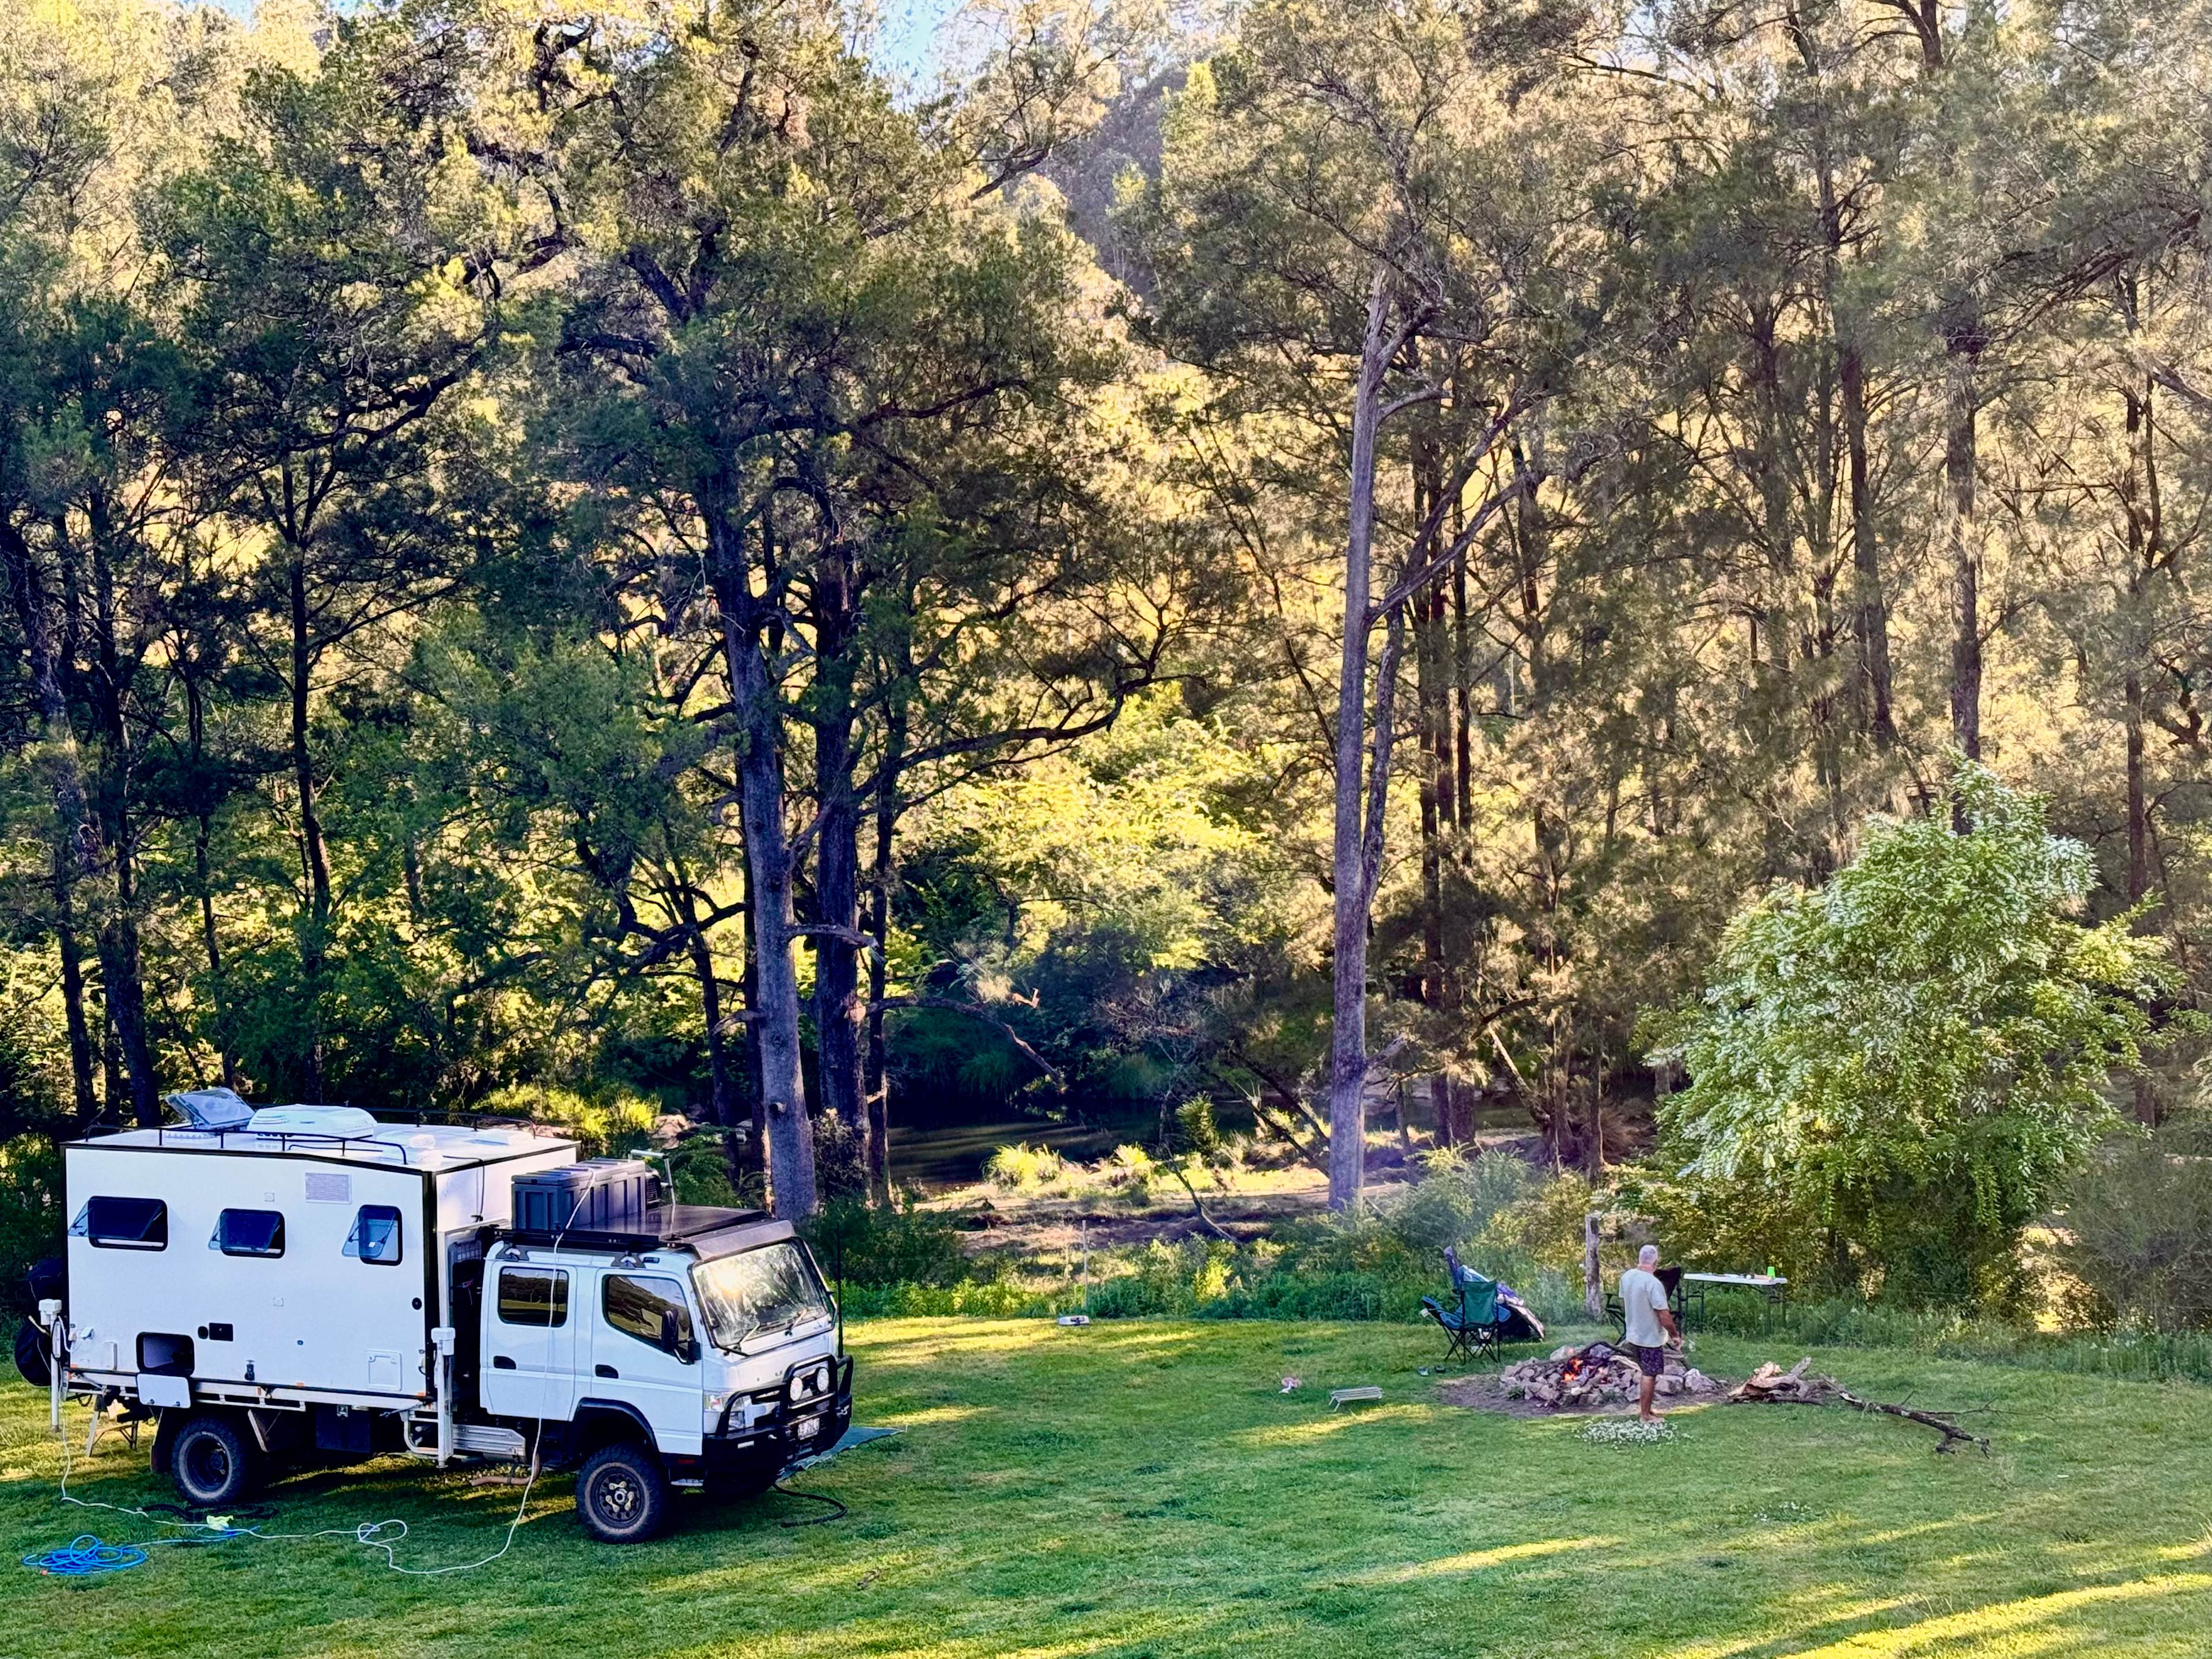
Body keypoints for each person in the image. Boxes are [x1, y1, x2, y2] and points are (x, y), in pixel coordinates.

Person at [1618, 1244, 1680, 1423]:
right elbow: (1664, 1314)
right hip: (1649, 1337)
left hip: (1632, 1334)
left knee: (1647, 1372)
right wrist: (1674, 1335)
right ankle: (1645, 1416)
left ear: (1639, 1259)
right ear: (1656, 1262)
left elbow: (1624, 1303)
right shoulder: (1653, 1283)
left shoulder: (1627, 1277)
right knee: (1649, 1374)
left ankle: (1648, 1410)